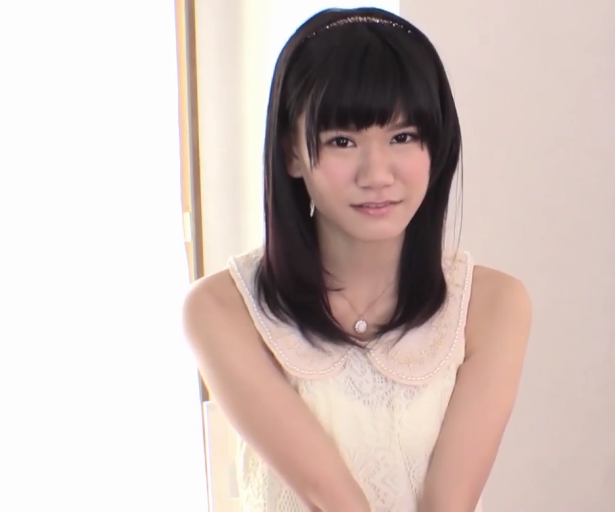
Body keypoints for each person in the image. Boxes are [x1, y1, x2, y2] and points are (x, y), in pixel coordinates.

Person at [182, 7, 532, 512]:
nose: (377, 174)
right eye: (342, 141)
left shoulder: (493, 305)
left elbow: (449, 503)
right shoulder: (221, 308)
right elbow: (334, 501)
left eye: (403, 137)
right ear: (292, 154)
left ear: (436, 147)